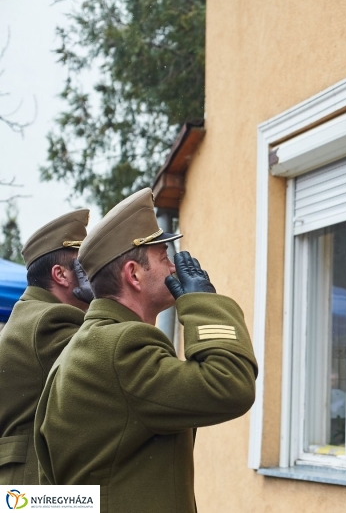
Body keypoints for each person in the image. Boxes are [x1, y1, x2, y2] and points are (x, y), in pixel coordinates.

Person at [34, 188, 257, 513]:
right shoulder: (123, 345)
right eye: (163, 256)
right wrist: (204, 303)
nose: (173, 268)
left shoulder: (87, 344)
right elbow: (229, 384)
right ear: (133, 274)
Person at [0, 209, 92, 485]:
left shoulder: (29, 313)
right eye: (85, 267)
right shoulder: (50, 320)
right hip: (33, 483)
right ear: (61, 275)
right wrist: (107, 301)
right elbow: (109, 368)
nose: (96, 273)